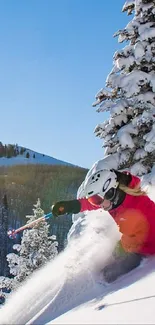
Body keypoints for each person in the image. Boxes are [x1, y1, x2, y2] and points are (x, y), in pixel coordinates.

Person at [52, 169, 155, 282]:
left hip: (142, 250)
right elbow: (90, 203)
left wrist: (129, 255)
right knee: (107, 264)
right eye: (93, 200)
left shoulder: (139, 209)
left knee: (107, 276)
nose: (98, 205)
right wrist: (69, 206)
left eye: (96, 200)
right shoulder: (115, 200)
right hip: (129, 244)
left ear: (110, 192)